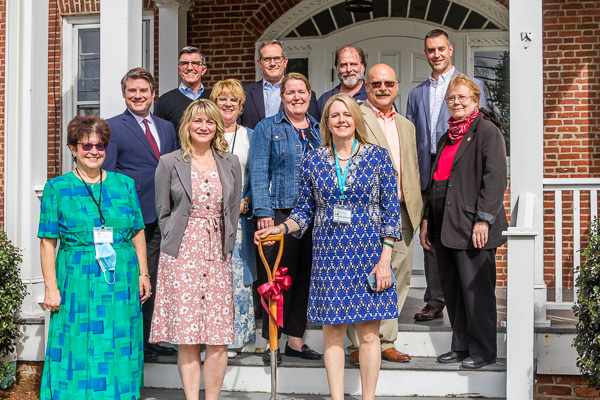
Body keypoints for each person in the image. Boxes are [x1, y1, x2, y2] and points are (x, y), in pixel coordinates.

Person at [256, 93, 401, 400]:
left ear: (356, 120)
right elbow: (304, 211)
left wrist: (386, 258)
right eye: (334, 116)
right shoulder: (314, 160)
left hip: (370, 255)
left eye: (346, 115)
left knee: (368, 334)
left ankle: (368, 398)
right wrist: (280, 228)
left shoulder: (378, 156)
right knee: (332, 333)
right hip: (329, 257)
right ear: (326, 123)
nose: (341, 120)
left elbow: (391, 211)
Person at [39, 115, 151, 400]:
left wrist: (143, 273)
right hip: (76, 278)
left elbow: (137, 230)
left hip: (120, 279)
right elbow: (48, 242)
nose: (93, 152)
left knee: (119, 342)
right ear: (73, 148)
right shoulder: (57, 188)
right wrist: (51, 288)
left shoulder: (124, 184)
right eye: (86, 145)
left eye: (100, 146)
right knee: (76, 344)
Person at [150, 99, 242, 400]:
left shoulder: (230, 162)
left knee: (218, 337)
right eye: (197, 121)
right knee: (187, 335)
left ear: (217, 126)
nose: (203, 127)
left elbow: (232, 207)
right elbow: (163, 212)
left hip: (218, 252)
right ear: (187, 125)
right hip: (182, 253)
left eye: (210, 122)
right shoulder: (169, 162)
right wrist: (177, 234)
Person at [421, 74, 507, 369]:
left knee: (476, 291)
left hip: (472, 225)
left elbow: (495, 178)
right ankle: (459, 347)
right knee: (454, 290)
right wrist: (426, 219)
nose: (456, 102)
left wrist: (484, 219)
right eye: (451, 98)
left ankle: (483, 351)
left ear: (475, 100)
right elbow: (436, 181)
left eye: (462, 97)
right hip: (444, 224)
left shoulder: (486, 130)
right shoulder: (447, 136)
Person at [406, 29, 488, 322]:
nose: (436, 54)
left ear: (450, 49)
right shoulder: (416, 94)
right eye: (430, 50)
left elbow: (482, 132)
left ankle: (464, 298)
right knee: (430, 239)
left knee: (460, 237)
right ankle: (435, 299)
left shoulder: (471, 85)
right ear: (425, 53)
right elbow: (412, 141)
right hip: (429, 176)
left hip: (460, 174)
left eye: (441, 48)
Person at [347, 64, 423, 365]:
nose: (382, 88)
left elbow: (412, 167)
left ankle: (387, 341)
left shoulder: (406, 124)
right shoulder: (356, 117)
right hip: (367, 212)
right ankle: (359, 345)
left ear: (397, 86)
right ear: (367, 86)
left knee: (398, 277)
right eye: (376, 83)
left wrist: (419, 209)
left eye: (388, 83)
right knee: (362, 275)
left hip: (404, 211)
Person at [104, 67, 178, 358]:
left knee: (158, 277)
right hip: (134, 219)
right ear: (124, 94)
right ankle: (137, 341)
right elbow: (108, 175)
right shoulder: (112, 127)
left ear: (152, 94)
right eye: (132, 91)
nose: (138, 96)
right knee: (138, 276)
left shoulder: (166, 127)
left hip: (165, 215)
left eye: (143, 91)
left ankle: (153, 337)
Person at [248, 72, 322, 365]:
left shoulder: (317, 129)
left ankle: (295, 340)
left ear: (309, 94)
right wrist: (264, 212)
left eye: (301, 92)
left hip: (315, 216)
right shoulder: (268, 127)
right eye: (290, 92)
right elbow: (258, 171)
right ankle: (272, 342)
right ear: (282, 97)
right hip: (280, 212)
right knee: (276, 279)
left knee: (305, 278)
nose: (296, 97)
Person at [210, 79, 257, 358]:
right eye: (221, 99)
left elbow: (258, 173)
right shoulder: (203, 132)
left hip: (239, 218)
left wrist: (247, 201)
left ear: (241, 107)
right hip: (207, 219)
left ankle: (237, 338)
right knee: (212, 277)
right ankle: (212, 335)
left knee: (238, 277)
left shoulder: (251, 135)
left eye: (233, 101)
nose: (227, 105)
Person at [240, 40, 319, 129]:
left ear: (285, 62)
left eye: (277, 58)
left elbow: (314, 130)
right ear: (259, 63)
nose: (272, 63)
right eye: (267, 59)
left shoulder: (304, 96)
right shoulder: (244, 93)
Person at [155, 46, 212, 133]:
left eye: (195, 63)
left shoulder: (213, 99)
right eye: (184, 63)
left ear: (203, 70)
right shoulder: (165, 101)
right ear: (179, 70)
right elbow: (158, 136)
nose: (189, 68)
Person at [316, 45, 368, 120]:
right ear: (337, 68)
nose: (349, 69)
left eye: (353, 64)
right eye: (343, 65)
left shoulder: (373, 95)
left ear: (363, 67)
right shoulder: (325, 99)